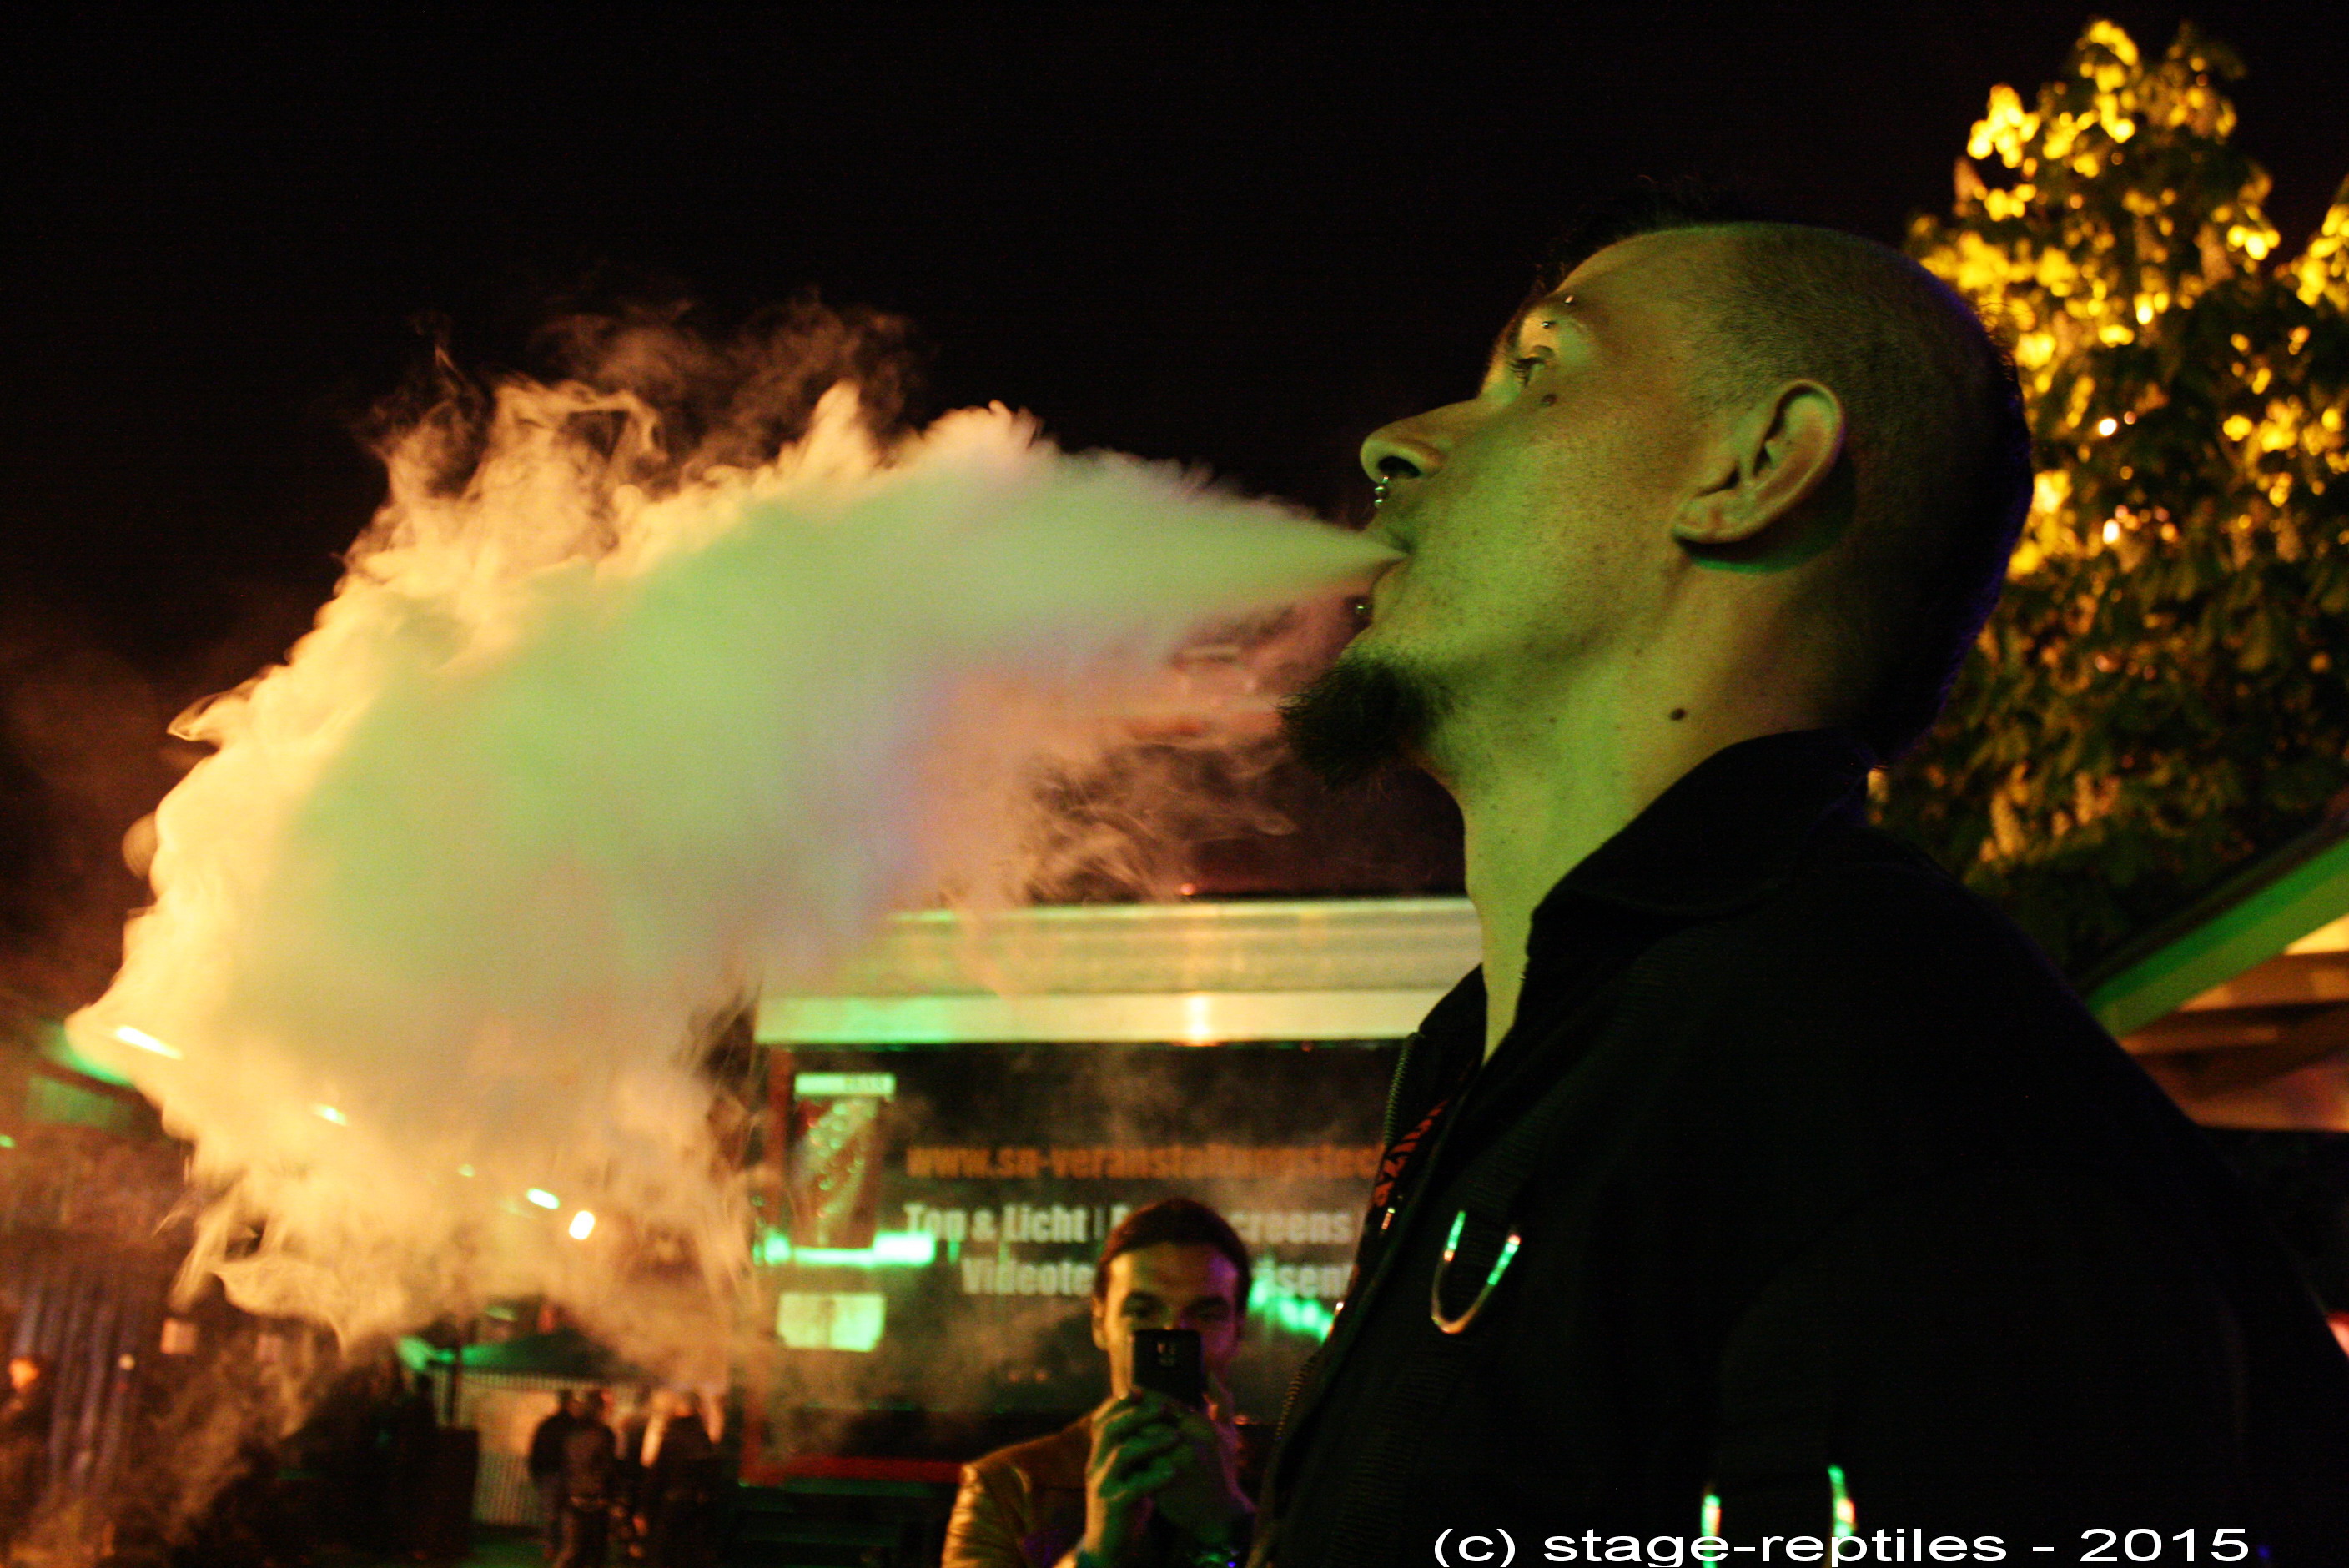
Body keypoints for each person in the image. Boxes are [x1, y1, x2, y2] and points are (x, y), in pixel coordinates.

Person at [1260, 184, 2349, 1563]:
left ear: (1759, 465)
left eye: (1536, 374)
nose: (1396, 444)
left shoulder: (1892, 1075)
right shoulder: (1513, 1065)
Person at [943, 1199, 1269, 1568]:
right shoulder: (1008, 1488)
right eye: (1143, 1311)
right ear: (1100, 1323)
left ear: (1238, 1331)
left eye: (1206, 1315)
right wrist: (1096, 1554)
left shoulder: (1294, 1483)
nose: (1171, 1335)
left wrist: (1227, 1520)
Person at [636, 1391, 719, 1568]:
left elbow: (656, 1478)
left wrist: (644, 1508)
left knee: (663, 1555)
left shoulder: (671, 1439)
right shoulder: (703, 1440)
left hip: (668, 1507)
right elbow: (710, 1479)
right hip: (694, 1509)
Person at [551, 1388, 617, 1568]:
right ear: (601, 1409)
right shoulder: (605, 1434)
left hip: (573, 1497)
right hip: (595, 1500)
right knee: (592, 1553)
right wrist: (611, 1496)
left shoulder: (572, 1431)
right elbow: (608, 1469)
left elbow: (565, 1466)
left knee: (571, 1550)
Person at [0, 1355, 51, 1555]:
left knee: (7, 1508)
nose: (13, 1374)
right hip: (16, 1459)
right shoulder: (21, 1395)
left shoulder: (34, 1395)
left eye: (18, 1369)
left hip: (20, 1461)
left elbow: (8, 1421)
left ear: (33, 1371)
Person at [528, 1390, 581, 1558]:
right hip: (567, 1474)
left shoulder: (547, 1424)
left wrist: (536, 1472)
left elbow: (536, 1450)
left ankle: (550, 1546)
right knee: (566, 1513)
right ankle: (566, 1548)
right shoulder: (575, 1426)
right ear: (570, 1403)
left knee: (549, 1512)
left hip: (546, 1473)